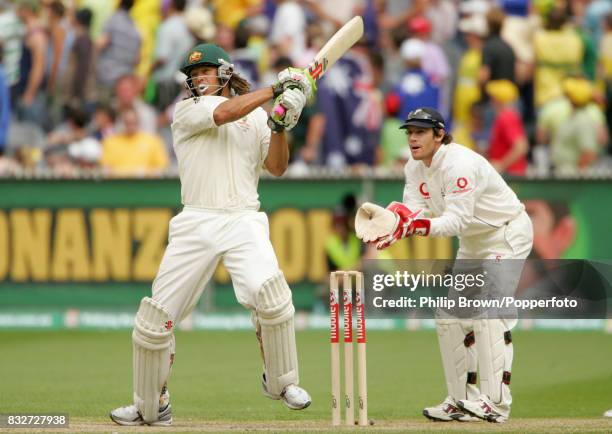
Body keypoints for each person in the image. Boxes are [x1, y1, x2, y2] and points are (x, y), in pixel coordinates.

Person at [109, 43, 314, 426]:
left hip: (243, 219)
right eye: (193, 74)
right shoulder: (188, 110)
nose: (197, 78)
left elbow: (277, 167)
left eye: (204, 71)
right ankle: (149, 404)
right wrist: (276, 90)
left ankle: (283, 382)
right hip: (196, 220)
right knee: (155, 321)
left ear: (223, 72)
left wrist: (279, 125)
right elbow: (224, 113)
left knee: (271, 296)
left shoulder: (255, 117)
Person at [355, 107, 533, 423]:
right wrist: (396, 222)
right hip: (474, 243)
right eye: (409, 132)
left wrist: (413, 226)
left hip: (506, 233)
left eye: (420, 132)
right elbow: (412, 209)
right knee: (449, 316)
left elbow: (455, 220)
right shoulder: (415, 166)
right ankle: (461, 401)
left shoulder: (459, 164)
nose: (412, 138)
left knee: (489, 312)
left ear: (439, 134)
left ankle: (495, 404)